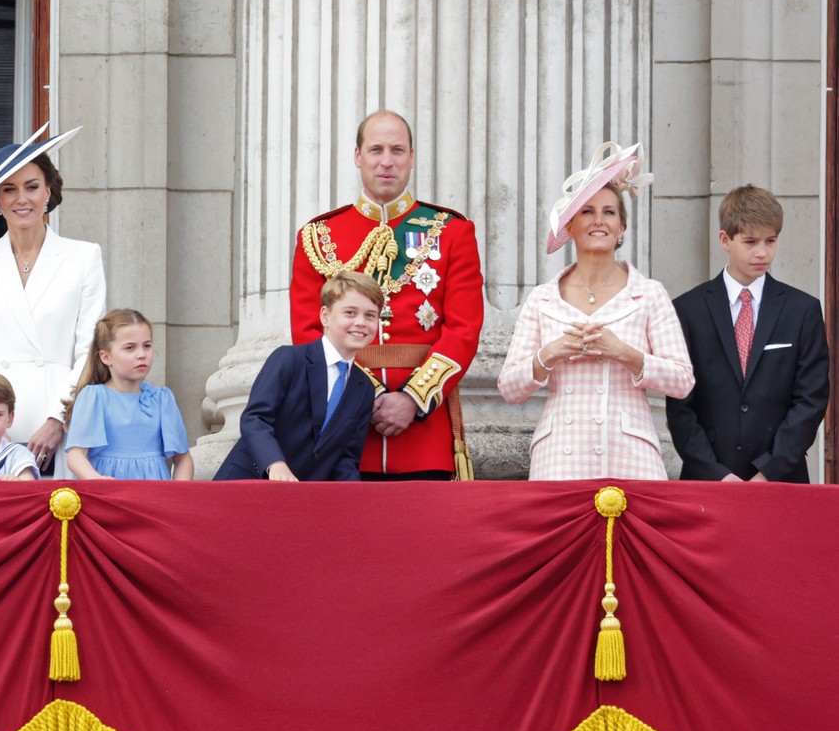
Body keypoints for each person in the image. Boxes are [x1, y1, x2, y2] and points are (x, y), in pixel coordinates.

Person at [291, 110, 484, 480]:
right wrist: (368, 397)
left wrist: (412, 399)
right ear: (357, 156)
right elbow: (308, 332)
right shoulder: (318, 237)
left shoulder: (452, 232)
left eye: (397, 150)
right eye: (375, 149)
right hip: (345, 432)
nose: (386, 161)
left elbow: (463, 330)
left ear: (411, 157)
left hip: (423, 436)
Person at [497, 143, 694, 480]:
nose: (598, 220)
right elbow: (509, 388)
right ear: (569, 226)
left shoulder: (648, 293)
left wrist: (625, 353)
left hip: (631, 457)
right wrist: (550, 354)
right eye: (587, 212)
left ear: (622, 228)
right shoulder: (543, 299)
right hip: (559, 457)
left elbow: (682, 381)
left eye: (609, 212)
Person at [0, 127, 106, 478]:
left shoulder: (83, 257)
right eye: (9, 189)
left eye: (32, 187)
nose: (22, 199)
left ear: (48, 191)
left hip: (59, 420)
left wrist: (57, 419)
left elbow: (89, 351)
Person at [666, 186, 830, 482]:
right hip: (708, 480)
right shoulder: (687, 310)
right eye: (750, 241)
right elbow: (680, 405)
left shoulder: (802, 310)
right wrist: (717, 474)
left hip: (781, 480)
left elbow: (811, 399)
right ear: (725, 239)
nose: (762, 252)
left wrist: (769, 470)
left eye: (771, 241)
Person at [215, 271, 382, 482]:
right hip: (249, 482)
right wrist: (274, 463)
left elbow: (345, 457)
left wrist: (353, 496)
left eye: (370, 315)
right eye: (350, 312)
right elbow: (255, 419)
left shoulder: (363, 387)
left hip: (303, 499)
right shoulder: (289, 359)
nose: (361, 322)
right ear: (325, 316)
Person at [64, 308, 193, 480]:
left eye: (147, 346)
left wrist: (175, 499)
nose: (141, 355)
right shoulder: (94, 397)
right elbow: (75, 456)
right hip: (108, 496)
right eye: (130, 348)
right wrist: (97, 480)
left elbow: (183, 459)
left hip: (153, 498)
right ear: (105, 357)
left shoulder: (162, 398)